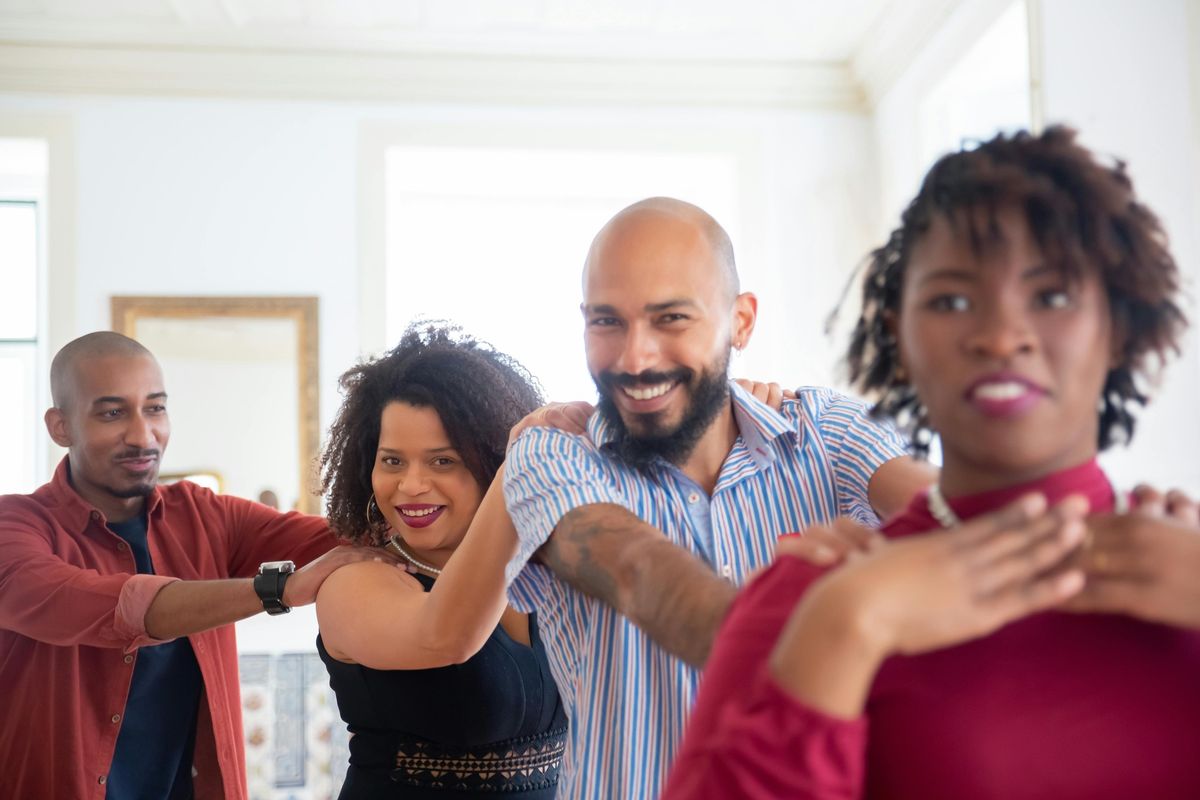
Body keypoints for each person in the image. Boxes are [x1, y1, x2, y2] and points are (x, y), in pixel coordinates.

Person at [662, 126, 1200, 798]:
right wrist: (848, 628)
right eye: (951, 300)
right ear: (900, 335)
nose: (1001, 336)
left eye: (1053, 295)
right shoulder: (813, 600)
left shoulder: (1189, 575)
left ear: (1118, 327)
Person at [501, 197, 937, 798]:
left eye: (671, 319)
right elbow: (636, 573)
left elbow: (947, 514)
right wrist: (837, 634)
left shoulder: (827, 431)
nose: (634, 357)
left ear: (741, 321)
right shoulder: (550, 453)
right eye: (606, 321)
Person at [0, 331, 396, 800]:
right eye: (112, 412)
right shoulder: (15, 526)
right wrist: (277, 589)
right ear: (60, 426)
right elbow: (96, 604)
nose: (143, 435)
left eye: (155, 408)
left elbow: (345, 537)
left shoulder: (206, 515)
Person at [315, 324, 568, 798]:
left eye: (442, 461)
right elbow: (446, 637)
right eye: (392, 461)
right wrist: (523, 470)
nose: (410, 485)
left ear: (487, 461)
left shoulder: (549, 569)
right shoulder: (355, 583)